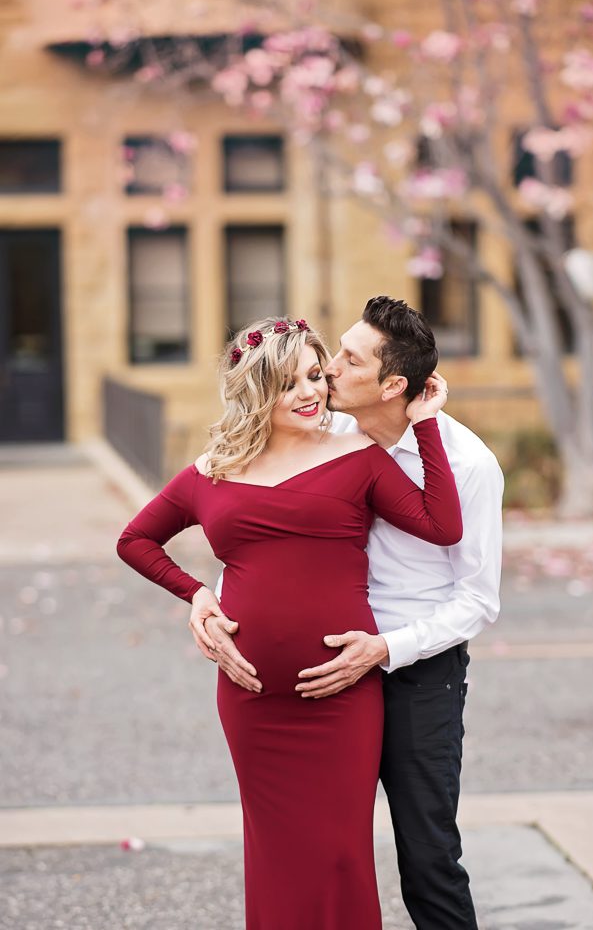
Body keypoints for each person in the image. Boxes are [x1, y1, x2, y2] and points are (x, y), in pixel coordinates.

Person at [117, 315, 463, 930]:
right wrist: (198, 595)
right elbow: (137, 539)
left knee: (339, 855)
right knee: (274, 856)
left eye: (313, 374)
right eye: (287, 382)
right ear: (255, 391)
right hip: (252, 699)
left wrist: (425, 422)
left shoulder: (359, 456)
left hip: (341, 697)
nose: (309, 392)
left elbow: (442, 525)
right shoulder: (215, 468)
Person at [196, 297, 504, 930]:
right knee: (322, 847)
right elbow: (258, 529)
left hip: (416, 673)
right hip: (323, 677)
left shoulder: (469, 464)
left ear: (393, 384)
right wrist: (207, 600)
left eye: (348, 359)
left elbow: (477, 599)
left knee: (428, 857)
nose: (328, 368)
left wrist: (385, 647)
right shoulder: (323, 431)